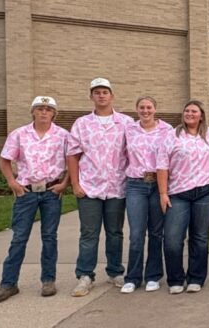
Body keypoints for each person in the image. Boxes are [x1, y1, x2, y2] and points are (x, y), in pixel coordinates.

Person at [0, 96, 70, 304]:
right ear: (33, 112)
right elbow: (5, 160)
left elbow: (73, 160)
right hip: (27, 192)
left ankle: (48, 280)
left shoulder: (63, 135)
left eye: (48, 109)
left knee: (49, 237)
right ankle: (8, 283)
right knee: (19, 237)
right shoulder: (19, 134)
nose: (44, 112)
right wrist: (12, 182)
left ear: (54, 113)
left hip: (51, 191)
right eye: (40, 108)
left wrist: (65, 183)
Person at [68, 78, 134, 297]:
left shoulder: (125, 122)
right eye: (97, 92)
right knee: (89, 233)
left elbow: (134, 152)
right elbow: (72, 155)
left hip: (117, 187)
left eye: (105, 92)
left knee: (115, 232)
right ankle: (85, 275)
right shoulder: (81, 123)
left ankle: (115, 271)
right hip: (89, 187)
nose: (101, 95)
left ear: (112, 95)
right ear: (91, 96)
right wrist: (75, 184)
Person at [157, 100, 209, 294]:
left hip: (206, 191)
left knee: (200, 237)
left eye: (194, 111)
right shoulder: (171, 136)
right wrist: (163, 193)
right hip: (178, 193)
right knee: (173, 239)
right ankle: (175, 279)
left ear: (201, 115)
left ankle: (196, 278)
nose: (190, 114)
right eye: (187, 111)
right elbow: (162, 165)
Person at [121, 96, 172, 294]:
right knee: (136, 233)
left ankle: (153, 275)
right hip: (136, 184)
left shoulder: (167, 130)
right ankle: (132, 277)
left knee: (156, 232)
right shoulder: (129, 129)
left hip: (158, 183)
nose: (145, 110)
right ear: (137, 109)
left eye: (149, 107)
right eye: (141, 107)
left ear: (155, 109)